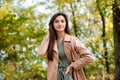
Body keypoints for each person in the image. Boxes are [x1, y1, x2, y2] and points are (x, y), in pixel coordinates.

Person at [38, 12, 94, 80]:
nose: (60, 24)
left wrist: (73, 65)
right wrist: (48, 35)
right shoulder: (51, 42)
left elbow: (89, 57)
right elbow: (41, 53)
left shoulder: (72, 40)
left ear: (66, 24)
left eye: (62, 21)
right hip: (55, 77)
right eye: (56, 21)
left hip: (69, 76)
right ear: (52, 24)